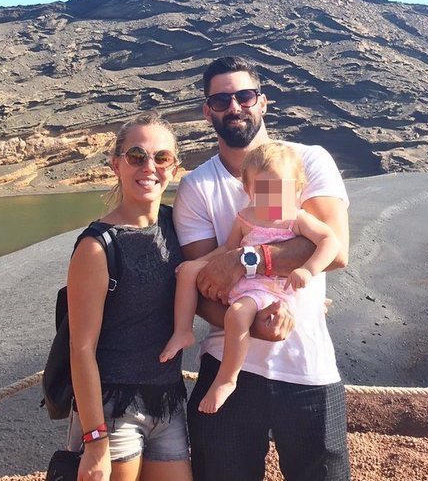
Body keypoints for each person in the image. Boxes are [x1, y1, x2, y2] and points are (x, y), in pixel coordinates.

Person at [173, 56, 351, 481]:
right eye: (220, 100)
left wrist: (246, 259)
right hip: (227, 363)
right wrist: (253, 326)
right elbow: (205, 284)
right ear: (207, 111)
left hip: (307, 364)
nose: (234, 107)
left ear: (263, 102)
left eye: (244, 96)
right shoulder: (197, 187)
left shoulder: (308, 161)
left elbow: (336, 248)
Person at [159, 141, 341, 415]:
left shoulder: (297, 219)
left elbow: (330, 241)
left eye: (281, 190)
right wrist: (198, 264)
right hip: (245, 283)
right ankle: (182, 331)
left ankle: (227, 379)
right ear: (249, 190)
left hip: (271, 289)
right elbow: (228, 251)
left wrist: (309, 269)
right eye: (263, 191)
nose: (273, 199)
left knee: (237, 314)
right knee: (187, 272)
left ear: (297, 189)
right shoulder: (246, 217)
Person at [66, 112, 193, 481]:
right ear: (116, 164)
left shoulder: (178, 226)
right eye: (137, 156)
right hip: (111, 408)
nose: (149, 166)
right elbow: (81, 349)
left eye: (161, 157)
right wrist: (94, 442)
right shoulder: (97, 246)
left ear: (174, 167)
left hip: (168, 400)